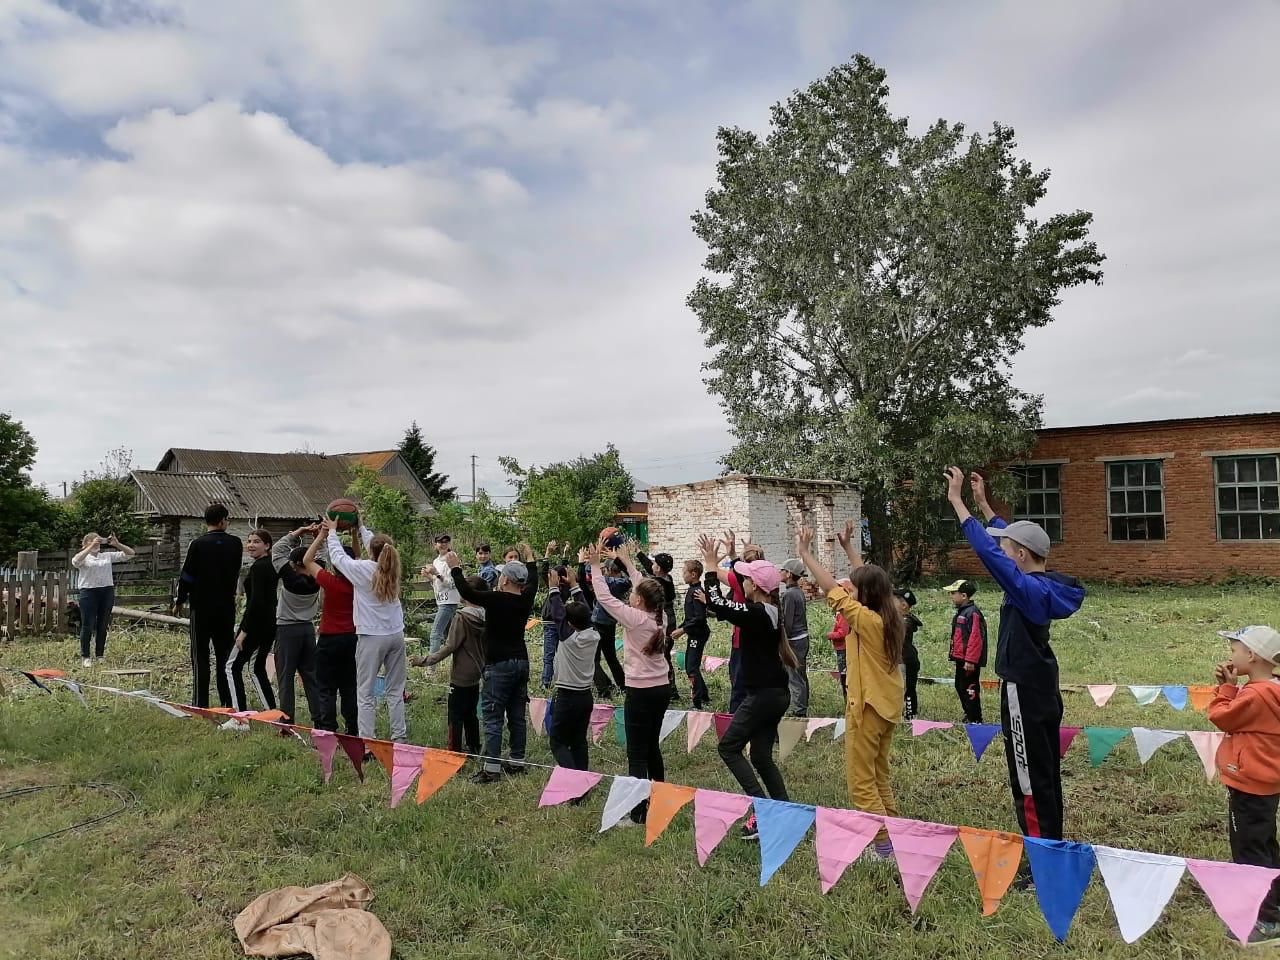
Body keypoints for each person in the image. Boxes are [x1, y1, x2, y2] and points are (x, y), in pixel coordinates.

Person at [945, 467, 1084, 857]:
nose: (1005, 552)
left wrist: (958, 503)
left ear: (1020, 556)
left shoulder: (1024, 590)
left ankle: (1041, 857)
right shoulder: (1044, 584)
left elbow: (990, 554)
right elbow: (1003, 541)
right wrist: (986, 506)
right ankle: (1051, 844)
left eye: (1010, 550)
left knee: (1027, 777)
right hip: (1041, 687)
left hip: (1022, 690)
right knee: (1043, 772)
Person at [796, 526, 902, 859]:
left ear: (863, 595)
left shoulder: (866, 620)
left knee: (861, 783)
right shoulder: (888, 612)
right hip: (886, 705)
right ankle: (895, 834)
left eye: (853, 588)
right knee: (878, 775)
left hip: (867, 707)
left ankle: (884, 845)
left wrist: (805, 554)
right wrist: (848, 548)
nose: (848, 589)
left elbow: (831, 588)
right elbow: (870, 581)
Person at [697, 534, 795, 841]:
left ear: (756, 587)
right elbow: (724, 607)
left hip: (763, 696)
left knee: (728, 747)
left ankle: (764, 810)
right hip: (774, 694)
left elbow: (718, 603)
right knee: (761, 757)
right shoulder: (766, 611)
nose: (744, 583)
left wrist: (711, 567)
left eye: (747, 580)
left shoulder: (758, 614)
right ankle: (783, 812)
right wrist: (728, 561)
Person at [590, 539, 670, 824]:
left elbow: (605, 598)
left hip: (640, 691)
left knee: (636, 752)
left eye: (636, 594)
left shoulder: (636, 618)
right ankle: (661, 799)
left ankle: (638, 813)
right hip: (661, 689)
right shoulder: (660, 617)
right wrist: (628, 563)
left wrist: (595, 566)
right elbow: (645, 586)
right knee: (651, 746)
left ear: (638, 600)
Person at [1208, 625, 1280, 946]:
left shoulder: (1255, 693)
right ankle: (1273, 905)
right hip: (1267, 782)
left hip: (1249, 784)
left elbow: (1223, 717)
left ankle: (1266, 920)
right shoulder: (1272, 689)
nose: (1231, 655)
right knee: (1264, 844)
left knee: (1250, 852)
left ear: (1252, 655)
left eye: (1235, 650)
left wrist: (1225, 689)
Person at [446, 542, 541, 783]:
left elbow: (468, 593)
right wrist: (530, 560)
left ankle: (492, 768)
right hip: (521, 662)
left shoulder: (496, 599)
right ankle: (518, 761)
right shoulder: (525, 599)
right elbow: (534, 581)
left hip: (498, 665)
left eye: (502, 576)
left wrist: (455, 568)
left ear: (507, 580)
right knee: (517, 716)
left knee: (493, 715)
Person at [323, 516, 408, 742]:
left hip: (372, 637)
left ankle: (368, 742)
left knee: (365, 692)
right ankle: (399, 738)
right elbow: (378, 546)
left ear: (372, 551)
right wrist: (360, 527)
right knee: (395, 691)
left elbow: (338, 558)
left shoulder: (363, 569)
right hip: (396, 634)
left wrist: (332, 531)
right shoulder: (392, 567)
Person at [174, 503, 243, 708]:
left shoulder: (197, 544)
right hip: (225, 607)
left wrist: (179, 600)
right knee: (224, 655)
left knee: (200, 655)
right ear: (222, 521)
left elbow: (187, 575)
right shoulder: (236, 544)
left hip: (201, 607)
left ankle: (200, 702)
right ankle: (226, 701)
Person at [412, 577, 489, 756]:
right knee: (471, 713)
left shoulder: (461, 618)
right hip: (477, 672)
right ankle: (474, 746)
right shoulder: (486, 616)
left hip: (460, 675)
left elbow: (449, 646)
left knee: (455, 715)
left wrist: (425, 661)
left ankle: (454, 751)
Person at [300, 529, 358, 734]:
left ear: (335, 564)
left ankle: (328, 730)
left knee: (326, 688)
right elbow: (357, 559)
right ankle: (353, 730)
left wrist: (322, 535)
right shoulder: (359, 583)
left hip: (328, 639)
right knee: (350, 688)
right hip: (352, 639)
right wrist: (354, 533)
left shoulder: (329, 581)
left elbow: (307, 559)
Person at [224, 529, 278, 725]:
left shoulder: (259, 568)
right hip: (269, 625)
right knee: (257, 669)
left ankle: (240, 720)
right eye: (249, 541)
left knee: (231, 667)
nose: (251, 545)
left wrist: (243, 632)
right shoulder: (269, 565)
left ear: (267, 546)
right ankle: (274, 715)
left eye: (257, 541)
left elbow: (256, 602)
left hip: (255, 627)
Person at [271, 526, 323, 724]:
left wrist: (297, 533)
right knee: (311, 677)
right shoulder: (318, 577)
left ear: (294, 564)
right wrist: (320, 537)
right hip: (308, 630)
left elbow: (277, 550)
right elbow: (323, 555)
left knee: (286, 678)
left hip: (286, 629)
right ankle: (319, 720)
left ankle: (286, 721)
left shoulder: (290, 578)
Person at [548, 600, 600, 770]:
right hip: (585, 696)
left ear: (569, 623)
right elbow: (587, 615)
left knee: (557, 740)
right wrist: (574, 586)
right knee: (578, 740)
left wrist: (554, 589)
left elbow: (557, 615)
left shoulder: (569, 639)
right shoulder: (594, 635)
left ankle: (573, 778)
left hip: (567, 696)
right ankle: (583, 777)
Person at [71, 532, 135, 666]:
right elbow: (75, 562)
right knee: (88, 624)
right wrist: (89, 547)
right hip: (88, 592)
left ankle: (100, 655)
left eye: (98, 542)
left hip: (106, 591)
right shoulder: (84, 557)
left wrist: (117, 544)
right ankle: (86, 656)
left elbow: (130, 554)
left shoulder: (106, 556)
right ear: (85, 544)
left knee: (103, 624)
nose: (96, 544)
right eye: (93, 542)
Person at [586, 553, 630, 699]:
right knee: (611, 657)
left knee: (594, 659)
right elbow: (631, 576)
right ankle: (623, 685)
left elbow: (589, 570)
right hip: (611, 623)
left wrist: (593, 559)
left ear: (609, 570)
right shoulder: (623, 583)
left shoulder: (606, 581)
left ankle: (604, 690)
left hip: (598, 622)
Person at [638, 550, 680, 699]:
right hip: (668, 622)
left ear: (659, 568)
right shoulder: (666, 577)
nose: (652, 565)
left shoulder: (660, 583)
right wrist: (639, 553)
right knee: (663, 655)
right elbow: (651, 567)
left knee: (664, 656)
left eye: (655, 563)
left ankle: (671, 690)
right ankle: (668, 688)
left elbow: (641, 577)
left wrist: (622, 561)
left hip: (667, 625)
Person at [944, 579, 987, 723]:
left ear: (963, 596)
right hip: (960, 659)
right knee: (960, 686)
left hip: (968, 662)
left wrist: (970, 660)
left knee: (970, 689)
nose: (951, 595)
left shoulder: (972, 613)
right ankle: (968, 714)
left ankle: (975, 718)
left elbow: (976, 638)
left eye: (953, 593)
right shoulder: (962, 612)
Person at [671, 559, 711, 709]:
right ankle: (704, 695)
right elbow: (690, 617)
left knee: (691, 668)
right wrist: (680, 627)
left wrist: (683, 630)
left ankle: (697, 702)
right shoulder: (691, 589)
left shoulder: (697, 592)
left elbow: (700, 618)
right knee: (691, 664)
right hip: (693, 633)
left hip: (698, 634)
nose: (682, 574)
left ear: (693, 574)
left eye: (684, 572)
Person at [779, 559, 811, 717]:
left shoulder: (789, 595)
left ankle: (799, 712)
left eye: (782, 570)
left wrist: (782, 642)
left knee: (794, 676)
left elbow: (788, 623)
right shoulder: (797, 592)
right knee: (800, 674)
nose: (779, 573)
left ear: (789, 574)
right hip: (802, 639)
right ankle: (803, 705)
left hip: (794, 641)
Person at [539, 556, 572, 690]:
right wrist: (564, 557)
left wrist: (547, 556)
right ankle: (557, 679)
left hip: (551, 626)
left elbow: (543, 572)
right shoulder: (562, 588)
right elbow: (546, 572)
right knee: (557, 654)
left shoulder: (559, 590)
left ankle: (546, 682)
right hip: (554, 624)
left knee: (549, 655)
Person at [427, 534, 460, 657]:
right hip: (441, 601)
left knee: (435, 634)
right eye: (440, 542)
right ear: (435, 545)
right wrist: (430, 577)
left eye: (446, 541)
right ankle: (459, 663)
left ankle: (431, 668)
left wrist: (437, 574)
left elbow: (452, 583)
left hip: (449, 602)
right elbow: (438, 586)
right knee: (452, 638)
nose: (443, 544)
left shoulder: (452, 558)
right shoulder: (436, 561)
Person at [895, 589, 922, 720]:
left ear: (903, 605)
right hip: (901, 660)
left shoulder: (905, 622)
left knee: (907, 689)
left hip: (905, 660)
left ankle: (910, 715)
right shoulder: (899, 620)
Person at [827, 579, 852, 701]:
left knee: (844, 675)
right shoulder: (841, 612)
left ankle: (848, 700)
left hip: (843, 648)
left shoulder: (844, 613)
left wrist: (830, 635)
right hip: (842, 647)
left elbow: (843, 633)